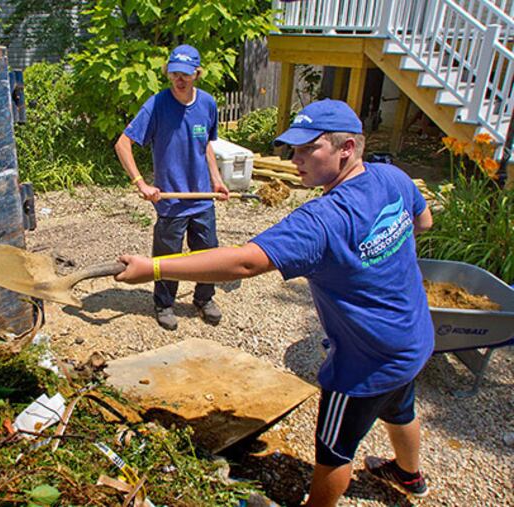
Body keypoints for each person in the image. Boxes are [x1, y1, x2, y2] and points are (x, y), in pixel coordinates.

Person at [114, 99, 435, 506]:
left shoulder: (322, 220)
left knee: (334, 451)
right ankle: (410, 476)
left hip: (365, 362)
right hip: (414, 338)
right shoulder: (393, 178)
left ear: (347, 148)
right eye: (291, 149)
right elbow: (423, 222)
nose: (294, 159)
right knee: (399, 409)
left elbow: (246, 262)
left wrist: (154, 268)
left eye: (307, 150)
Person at [114, 44, 229, 331]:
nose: (179, 80)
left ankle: (204, 299)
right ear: (168, 73)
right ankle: (164, 304)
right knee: (167, 257)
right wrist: (140, 183)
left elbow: (206, 147)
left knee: (208, 254)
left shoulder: (207, 104)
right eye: (174, 74)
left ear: (197, 74)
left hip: (202, 198)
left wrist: (216, 179)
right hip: (170, 201)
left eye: (186, 75)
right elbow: (122, 143)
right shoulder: (157, 105)